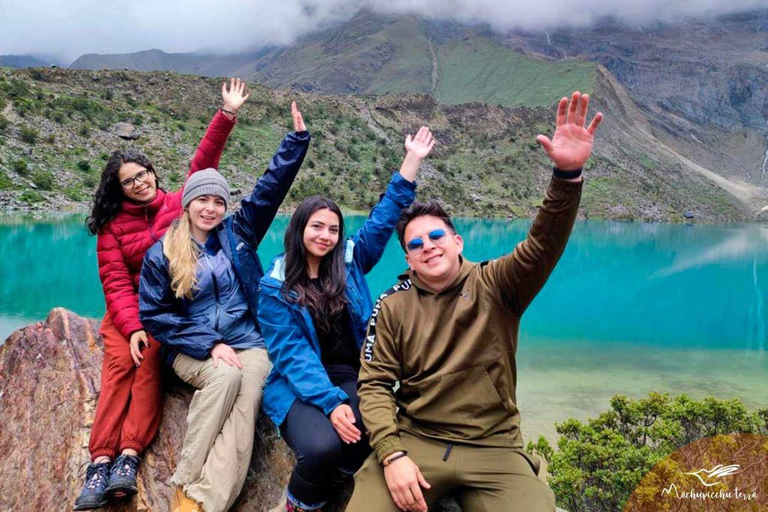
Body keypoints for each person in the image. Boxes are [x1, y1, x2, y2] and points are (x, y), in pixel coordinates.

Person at [347, 92, 603, 512]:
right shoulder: (393, 305)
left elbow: (543, 244)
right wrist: (392, 454)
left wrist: (567, 175)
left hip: (493, 446)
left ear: (457, 241)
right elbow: (373, 385)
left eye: (436, 237)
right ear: (407, 258)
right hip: (419, 440)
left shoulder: (497, 284)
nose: (428, 247)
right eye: (416, 244)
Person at [74, 78, 249, 511]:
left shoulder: (177, 205)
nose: (140, 183)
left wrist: (226, 115)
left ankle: (130, 455)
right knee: (118, 367)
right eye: (129, 181)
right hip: (130, 312)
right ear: (119, 189)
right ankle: (100, 460)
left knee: (149, 366)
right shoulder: (113, 228)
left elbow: (204, 163)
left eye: (144, 174)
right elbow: (114, 281)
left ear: (154, 173)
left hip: (168, 312)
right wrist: (131, 326)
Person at [138, 102, 309, 512]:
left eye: (219, 201)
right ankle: (184, 477)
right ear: (189, 204)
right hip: (192, 349)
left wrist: (296, 143)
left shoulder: (239, 233)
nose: (211, 208)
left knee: (247, 395)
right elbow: (156, 316)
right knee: (224, 380)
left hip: (250, 343)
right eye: (203, 200)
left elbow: (269, 190)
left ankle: (200, 504)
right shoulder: (162, 252)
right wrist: (210, 343)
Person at [257, 128, 435, 512]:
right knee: (320, 449)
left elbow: (385, 217)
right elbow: (292, 356)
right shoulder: (275, 287)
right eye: (316, 227)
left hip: (352, 375)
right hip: (297, 384)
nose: (325, 236)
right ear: (299, 229)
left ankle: (345, 477)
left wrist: (412, 161)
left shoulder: (350, 261)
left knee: (365, 434)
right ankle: (300, 504)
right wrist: (332, 402)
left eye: (333, 229)